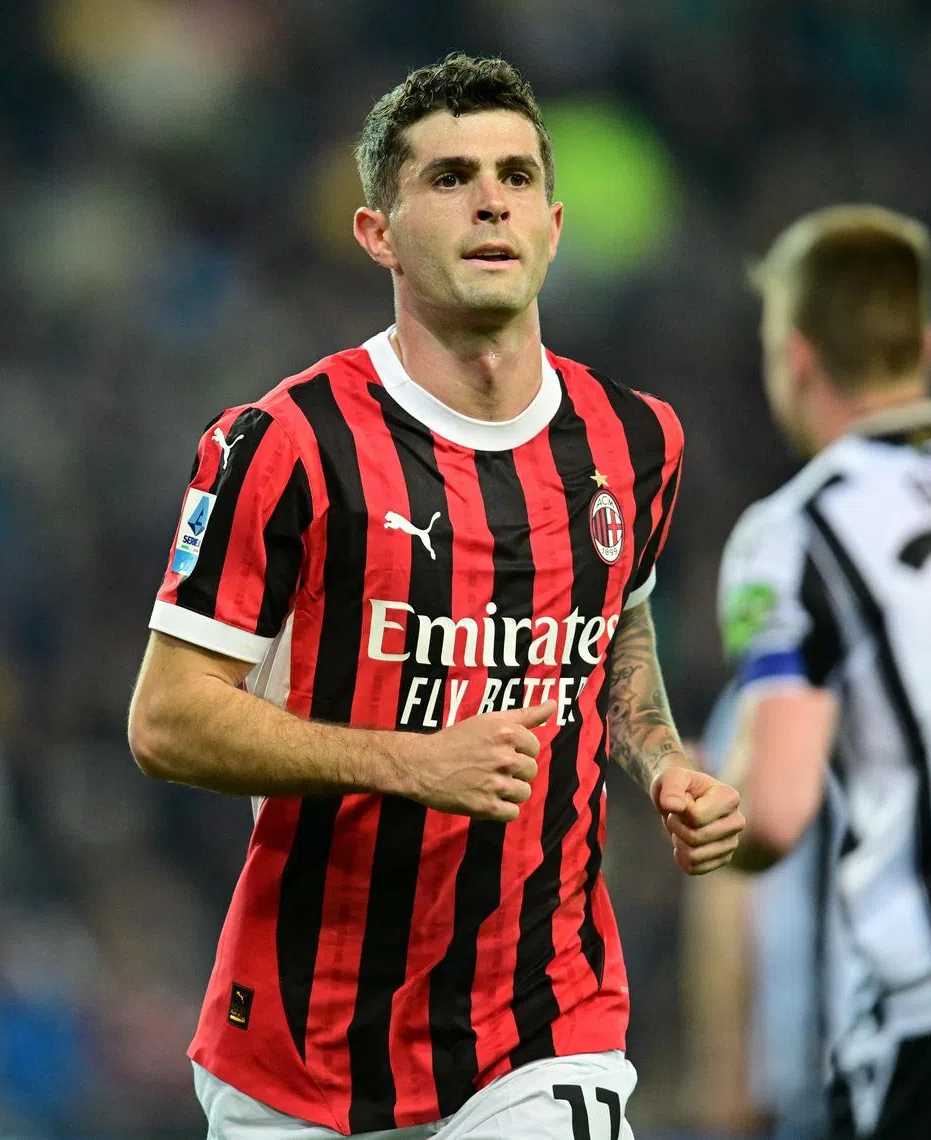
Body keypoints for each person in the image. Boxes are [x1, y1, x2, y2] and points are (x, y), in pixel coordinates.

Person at [127, 53, 744, 1140]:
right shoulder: (284, 443)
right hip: (301, 1048)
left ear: (553, 224)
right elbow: (166, 720)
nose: (491, 201)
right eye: (451, 178)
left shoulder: (636, 439)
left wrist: (662, 763)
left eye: (516, 177)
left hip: (542, 1021)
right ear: (379, 233)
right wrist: (412, 763)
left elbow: (617, 629)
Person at [717, 203, 931, 1140]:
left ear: (797, 359)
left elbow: (772, 814)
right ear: (927, 345)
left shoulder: (792, 533)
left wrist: (695, 798)